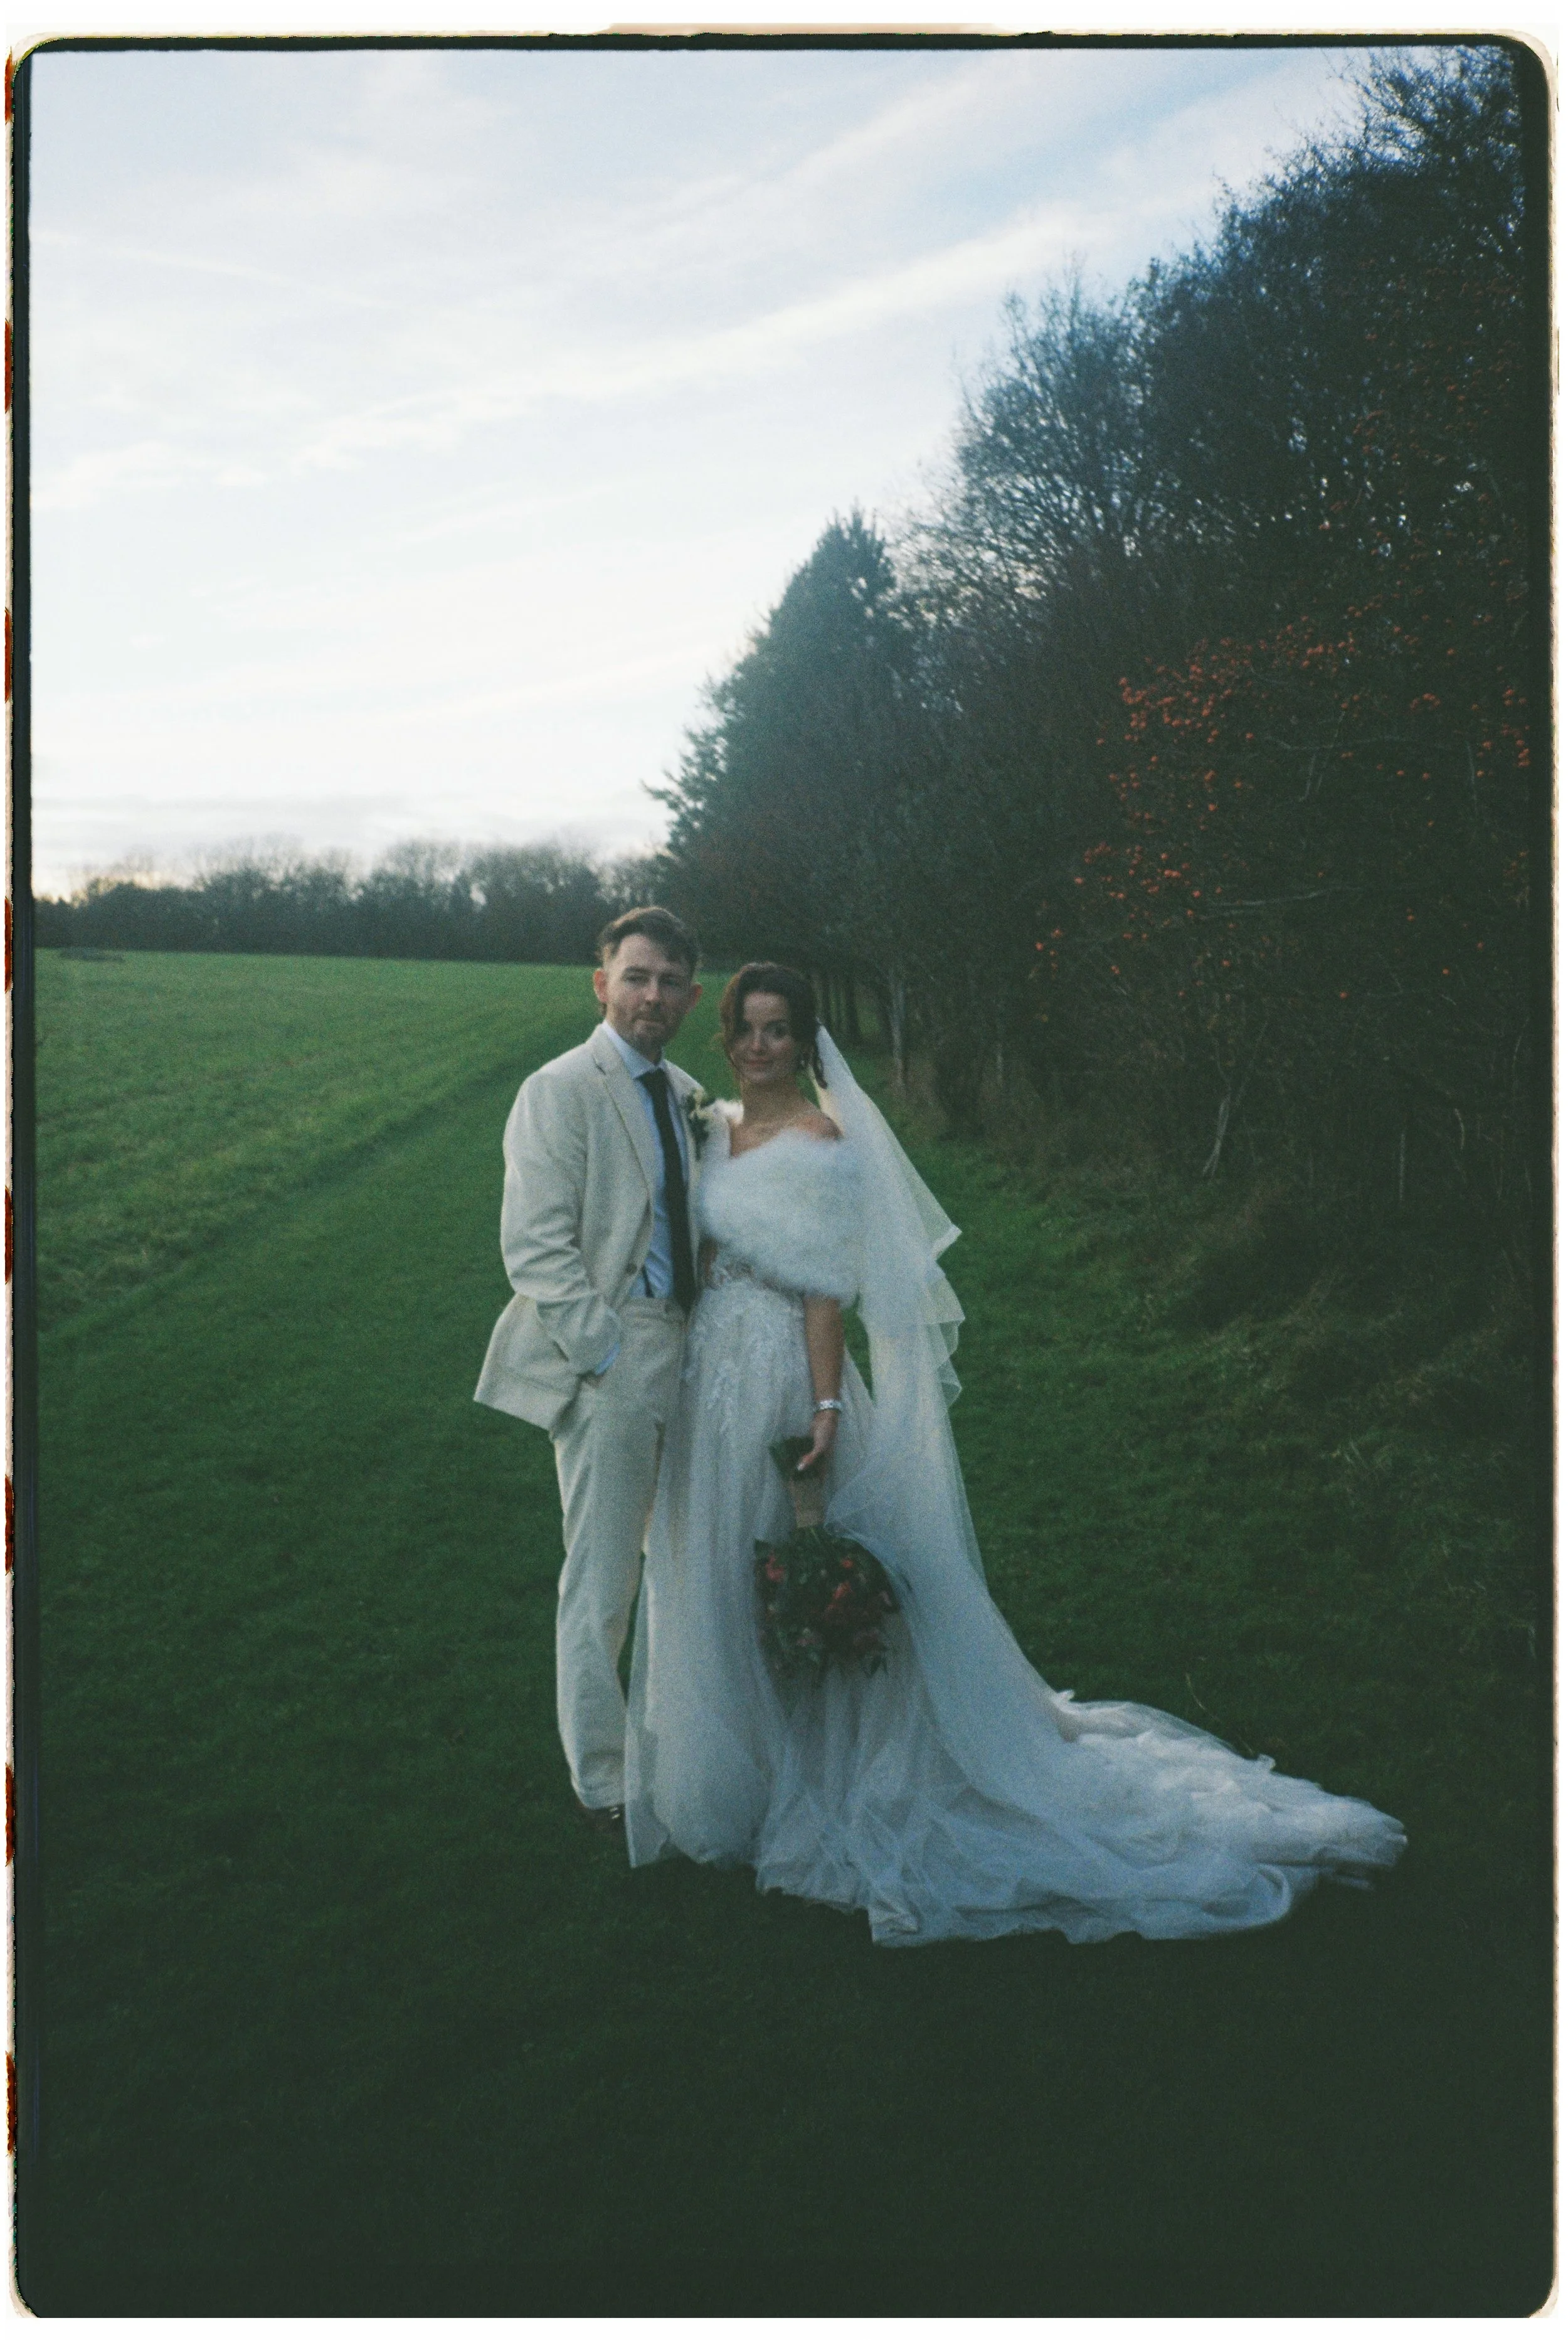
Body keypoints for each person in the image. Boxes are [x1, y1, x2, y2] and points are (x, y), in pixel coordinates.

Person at [623, 962, 1406, 1947]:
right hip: (708, 1377)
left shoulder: (822, 1140)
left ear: (806, 1040)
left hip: (779, 1375)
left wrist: (824, 1409)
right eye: (745, 1026)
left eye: (777, 1030)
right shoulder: (712, 1125)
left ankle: (815, 1763)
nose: (757, 1045)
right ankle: (740, 1761)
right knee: (714, 1568)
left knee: (785, 1554)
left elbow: (823, 1292)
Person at [475, 906, 704, 1833]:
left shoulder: (687, 1093)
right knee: (603, 1577)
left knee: (688, 1557)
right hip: (615, 1352)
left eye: (670, 981)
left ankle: (682, 1736)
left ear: (692, 997)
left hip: (694, 1347)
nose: (653, 995)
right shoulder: (560, 1088)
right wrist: (604, 1356)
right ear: (602, 983)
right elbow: (535, 1248)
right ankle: (603, 1775)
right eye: (636, 976)